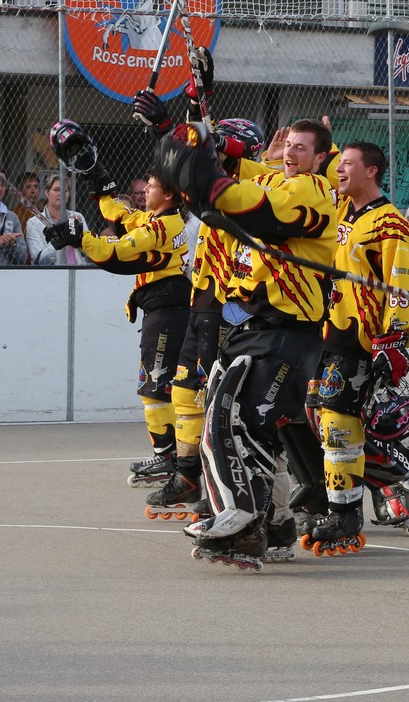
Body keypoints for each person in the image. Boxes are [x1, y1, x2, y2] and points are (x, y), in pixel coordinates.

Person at [156, 118, 337, 566]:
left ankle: (243, 520)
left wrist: (208, 170)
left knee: (238, 423)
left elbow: (246, 200)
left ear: (320, 158)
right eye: (288, 145)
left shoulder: (312, 189)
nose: (290, 152)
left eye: (301, 148)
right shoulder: (277, 180)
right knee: (238, 426)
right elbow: (228, 174)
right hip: (253, 329)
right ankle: (270, 528)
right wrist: (175, 131)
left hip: (286, 332)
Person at [45, 121, 191, 491]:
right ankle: (173, 456)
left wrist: (79, 237)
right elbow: (120, 214)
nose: (145, 193)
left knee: (156, 389)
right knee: (155, 388)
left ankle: (171, 460)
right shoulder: (156, 219)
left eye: (151, 187)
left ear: (169, 195)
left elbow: (117, 252)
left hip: (170, 313)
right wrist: (98, 176)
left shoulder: (164, 227)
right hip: (162, 312)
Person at [300, 141, 409, 556]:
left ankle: (346, 514)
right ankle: (343, 498)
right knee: (316, 420)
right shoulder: (338, 208)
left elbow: (402, 281)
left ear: (371, 171)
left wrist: (395, 336)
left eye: (348, 164)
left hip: (359, 340)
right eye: (338, 163)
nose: (340, 170)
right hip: (324, 333)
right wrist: (315, 144)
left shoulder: (389, 223)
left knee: (340, 425)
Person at [142, 116, 268, 523]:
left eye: (222, 145)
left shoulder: (252, 188)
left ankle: (223, 484)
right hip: (201, 299)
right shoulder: (206, 186)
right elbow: (181, 167)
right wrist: (163, 130)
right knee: (184, 390)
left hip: (227, 303)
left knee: (217, 397)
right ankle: (187, 474)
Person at [26, 175, 88, 266]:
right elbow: (38, 259)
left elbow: (89, 251)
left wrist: (79, 239)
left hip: (78, 270)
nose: (61, 194)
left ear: (69, 194)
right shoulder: (34, 222)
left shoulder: (77, 217)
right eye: (56, 190)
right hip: (52, 273)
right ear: (47, 192)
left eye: (65, 190)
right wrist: (60, 241)